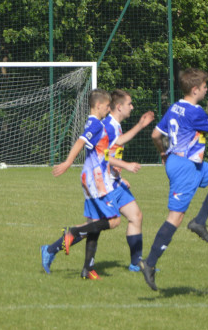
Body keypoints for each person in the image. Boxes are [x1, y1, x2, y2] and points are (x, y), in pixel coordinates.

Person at [138, 68, 208, 292]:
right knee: (175, 217)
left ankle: (199, 222)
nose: (207, 89)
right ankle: (149, 264)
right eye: (205, 87)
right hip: (185, 167)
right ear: (195, 89)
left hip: (186, 162)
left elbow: (155, 135)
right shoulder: (194, 112)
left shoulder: (175, 107)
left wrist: (163, 153)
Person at [40, 89, 143, 279]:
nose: (108, 108)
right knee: (113, 221)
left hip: (97, 177)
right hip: (95, 179)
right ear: (98, 106)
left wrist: (118, 176)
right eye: (106, 106)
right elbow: (80, 142)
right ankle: (70, 234)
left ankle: (87, 268)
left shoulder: (96, 124)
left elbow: (103, 153)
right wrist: (68, 162)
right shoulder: (96, 125)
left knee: (97, 223)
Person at [103, 89, 155, 271]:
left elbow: (113, 152)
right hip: (103, 185)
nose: (132, 107)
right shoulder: (108, 126)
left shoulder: (116, 125)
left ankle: (136, 264)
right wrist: (125, 165)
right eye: (129, 104)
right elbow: (103, 157)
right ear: (119, 107)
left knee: (136, 216)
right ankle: (55, 247)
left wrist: (119, 176)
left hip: (114, 182)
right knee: (100, 226)